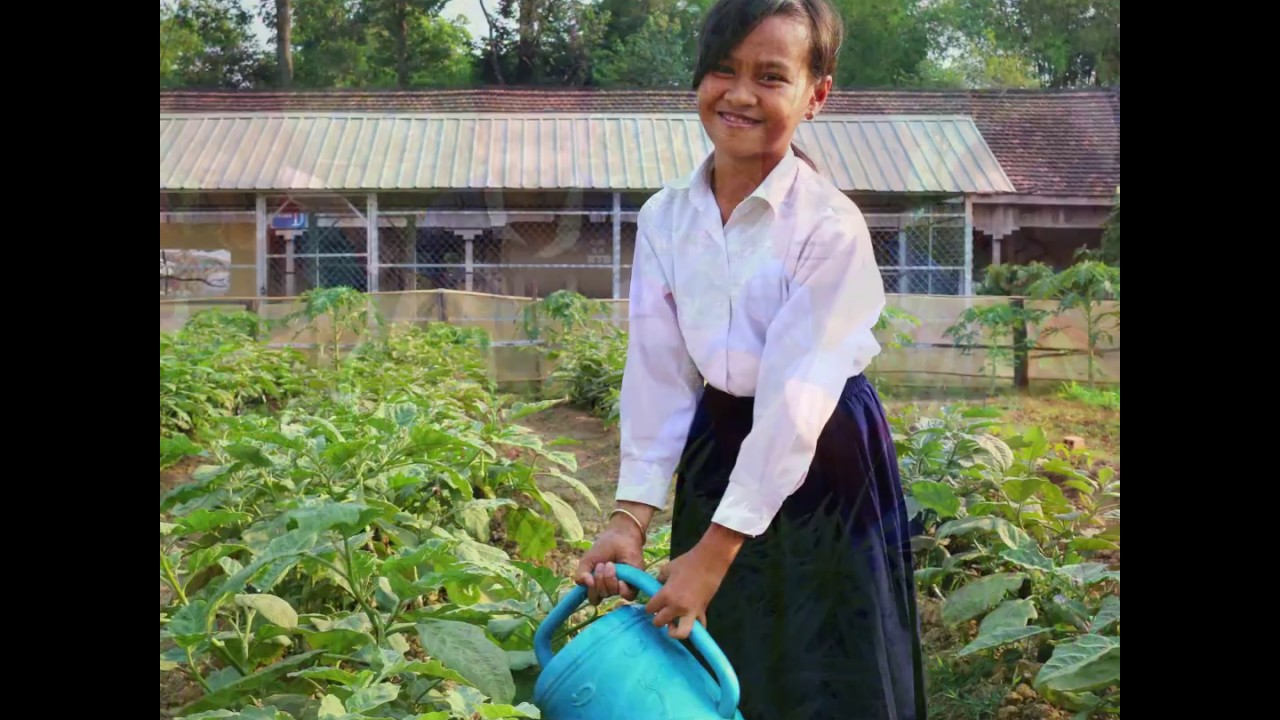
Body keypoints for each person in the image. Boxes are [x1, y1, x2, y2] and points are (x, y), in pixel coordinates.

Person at [572, 0, 927, 717]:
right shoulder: (666, 218)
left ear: (815, 94)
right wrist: (629, 518)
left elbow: (796, 404)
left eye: (770, 76)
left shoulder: (829, 228)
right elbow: (660, 374)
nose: (739, 94)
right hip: (721, 442)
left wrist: (712, 554)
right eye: (723, 70)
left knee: (830, 661)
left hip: (827, 457)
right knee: (723, 660)